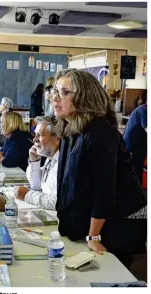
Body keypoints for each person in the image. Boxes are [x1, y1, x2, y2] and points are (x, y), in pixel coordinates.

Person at [53, 69, 147, 268]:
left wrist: (93, 234)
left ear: (84, 97)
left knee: (108, 274)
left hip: (119, 220)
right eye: (55, 91)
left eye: (64, 92)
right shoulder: (70, 130)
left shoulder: (99, 134)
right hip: (97, 219)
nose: (55, 98)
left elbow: (104, 191)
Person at [17, 116, 59, 210]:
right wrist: (34, 162)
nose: (35, 139)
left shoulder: (63, 163)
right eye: (35, 134)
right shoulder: (50, 158)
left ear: (57, 138)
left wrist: (27, 195)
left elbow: (57, 201)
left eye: (39, 135)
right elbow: (36, 186)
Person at [123, 104, 147, 184]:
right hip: (133, 145)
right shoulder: (144, 110)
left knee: (138, 169)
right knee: (135, 170)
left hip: (140, 145)